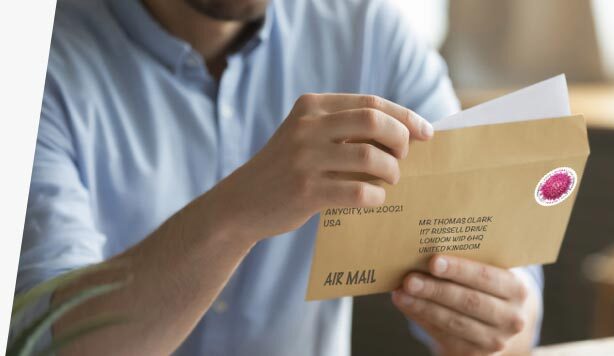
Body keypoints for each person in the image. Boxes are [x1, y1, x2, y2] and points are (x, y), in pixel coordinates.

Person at [16, 0, 543, 355]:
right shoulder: (30, 61)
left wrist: (498, 319)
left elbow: (507, 284)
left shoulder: (367, 30)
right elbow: (46, 344)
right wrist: (238, 210)